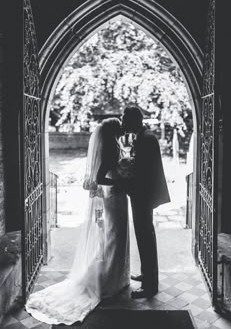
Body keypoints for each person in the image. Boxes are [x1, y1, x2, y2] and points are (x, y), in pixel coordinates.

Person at [25, 118, 130, 325]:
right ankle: (108, 281)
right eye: (119, 127)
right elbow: (99, 178)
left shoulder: (114, 146)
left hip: (115, 197)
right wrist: (121, 179)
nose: (122, 129)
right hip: (114, 198)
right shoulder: (110, 150)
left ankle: (114, 277)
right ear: (111, 132)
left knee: (113, 238)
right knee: (113, 239)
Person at [120, 106, 170, 299]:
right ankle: (147, 274)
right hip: (142, 195)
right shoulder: (143, 136)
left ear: (133, 120)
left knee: (145, 237)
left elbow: (143, 173)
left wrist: (125, 182)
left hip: (143, 195)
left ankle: (150, 286)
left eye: (124, 119)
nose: (123, 123)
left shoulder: (146, 139)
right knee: (144, 236)